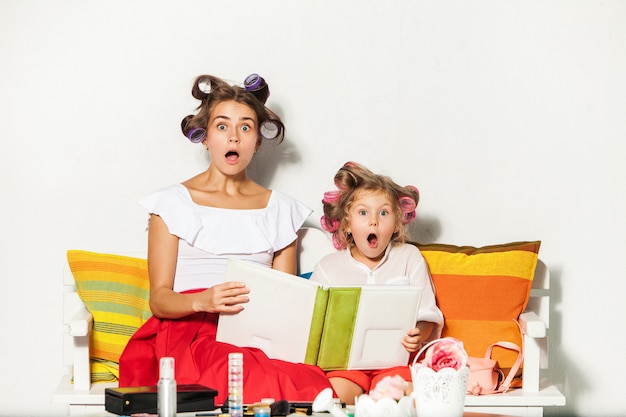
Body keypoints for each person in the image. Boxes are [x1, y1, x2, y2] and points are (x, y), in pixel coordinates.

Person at [118, 73, 333, 404]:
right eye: (222, 126)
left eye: (245, 127)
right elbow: (159, 299)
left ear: (257, 141)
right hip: (189, 331)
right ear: (205, 138)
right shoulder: (171, 203)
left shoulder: (282, 210)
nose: (234, 136)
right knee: (237, 373)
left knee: (303, 381)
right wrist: (201, 301)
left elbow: (283, 302)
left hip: (253, 332)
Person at [310, 161, 444, 404]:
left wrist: (418, 333)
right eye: (363, 213)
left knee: (406, 401)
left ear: (395, 224)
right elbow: (313, 323)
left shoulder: (409, 257)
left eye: (383, 213)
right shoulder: (328, 267)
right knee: (335, 400)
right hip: (346, 367)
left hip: (395, 363)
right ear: (347, 224)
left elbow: (427, 314)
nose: (374, 221)